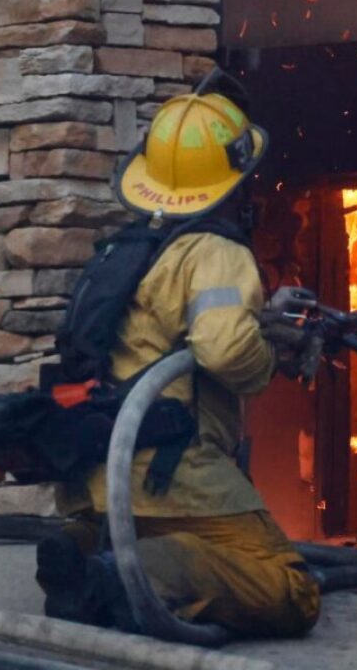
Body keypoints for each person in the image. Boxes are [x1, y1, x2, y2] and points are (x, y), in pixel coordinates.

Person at [35, 79, 321, 638]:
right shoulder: (215, 249)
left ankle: (80, 547)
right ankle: (123, 576)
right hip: (173, 473)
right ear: (235, 179)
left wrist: (262, 316)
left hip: (101, 477)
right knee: (290, 587)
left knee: (132, 534)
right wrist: (268, 357)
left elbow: (170, 335)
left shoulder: (131, 248)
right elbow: (223, 347)